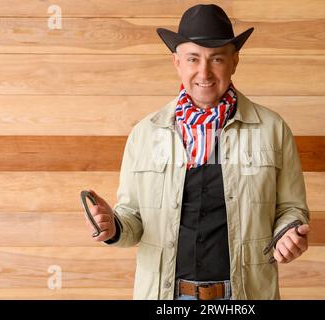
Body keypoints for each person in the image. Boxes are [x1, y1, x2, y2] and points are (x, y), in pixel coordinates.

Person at [84, 4, 310, 300]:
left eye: (216, 59)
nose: (204, 72)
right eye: (193, 59)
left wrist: (289, 232)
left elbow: (292, 208)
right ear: (177, 62)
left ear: (234, 61)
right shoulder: (146, 133)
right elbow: (133, 217)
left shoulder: (272, 129)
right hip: (167, 297)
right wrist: (112, 226)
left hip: (246, 295)